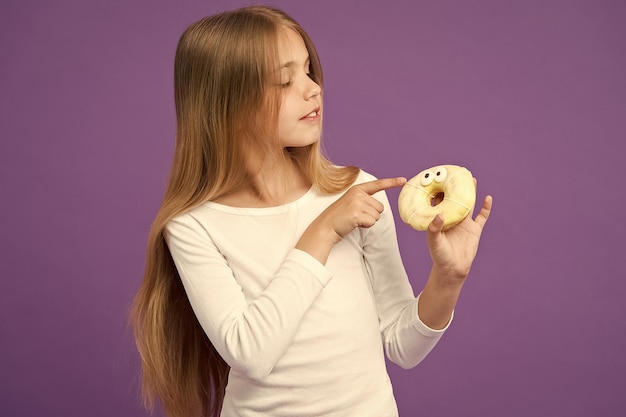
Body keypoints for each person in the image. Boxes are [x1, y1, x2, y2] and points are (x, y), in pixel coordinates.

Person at [131, 5, 493, 417]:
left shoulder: (357, 191)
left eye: (309, 71)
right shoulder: (194, 226)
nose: (312, 88)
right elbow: (250, 353)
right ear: (226, 103)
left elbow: (401, 344)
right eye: (286, 80)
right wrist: (323, 232)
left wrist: (448, 280)